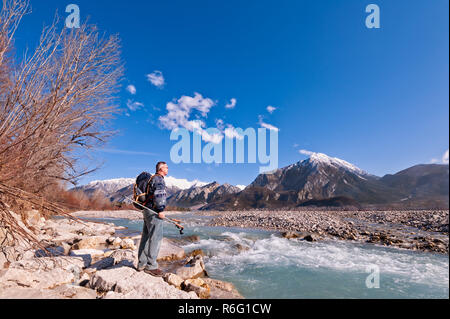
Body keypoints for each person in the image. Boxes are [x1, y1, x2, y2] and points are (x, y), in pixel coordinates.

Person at [137, 161, 168, 277]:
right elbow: (159, 195)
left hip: (146, 210)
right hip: (154, 211)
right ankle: (151, 266)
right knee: (156, 237)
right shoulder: (159, 179)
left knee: (146, 236)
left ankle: (141, 264)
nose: (167, 169)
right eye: (166, 167)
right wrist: (160, 210)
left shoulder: (152, 178)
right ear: (160, 169)